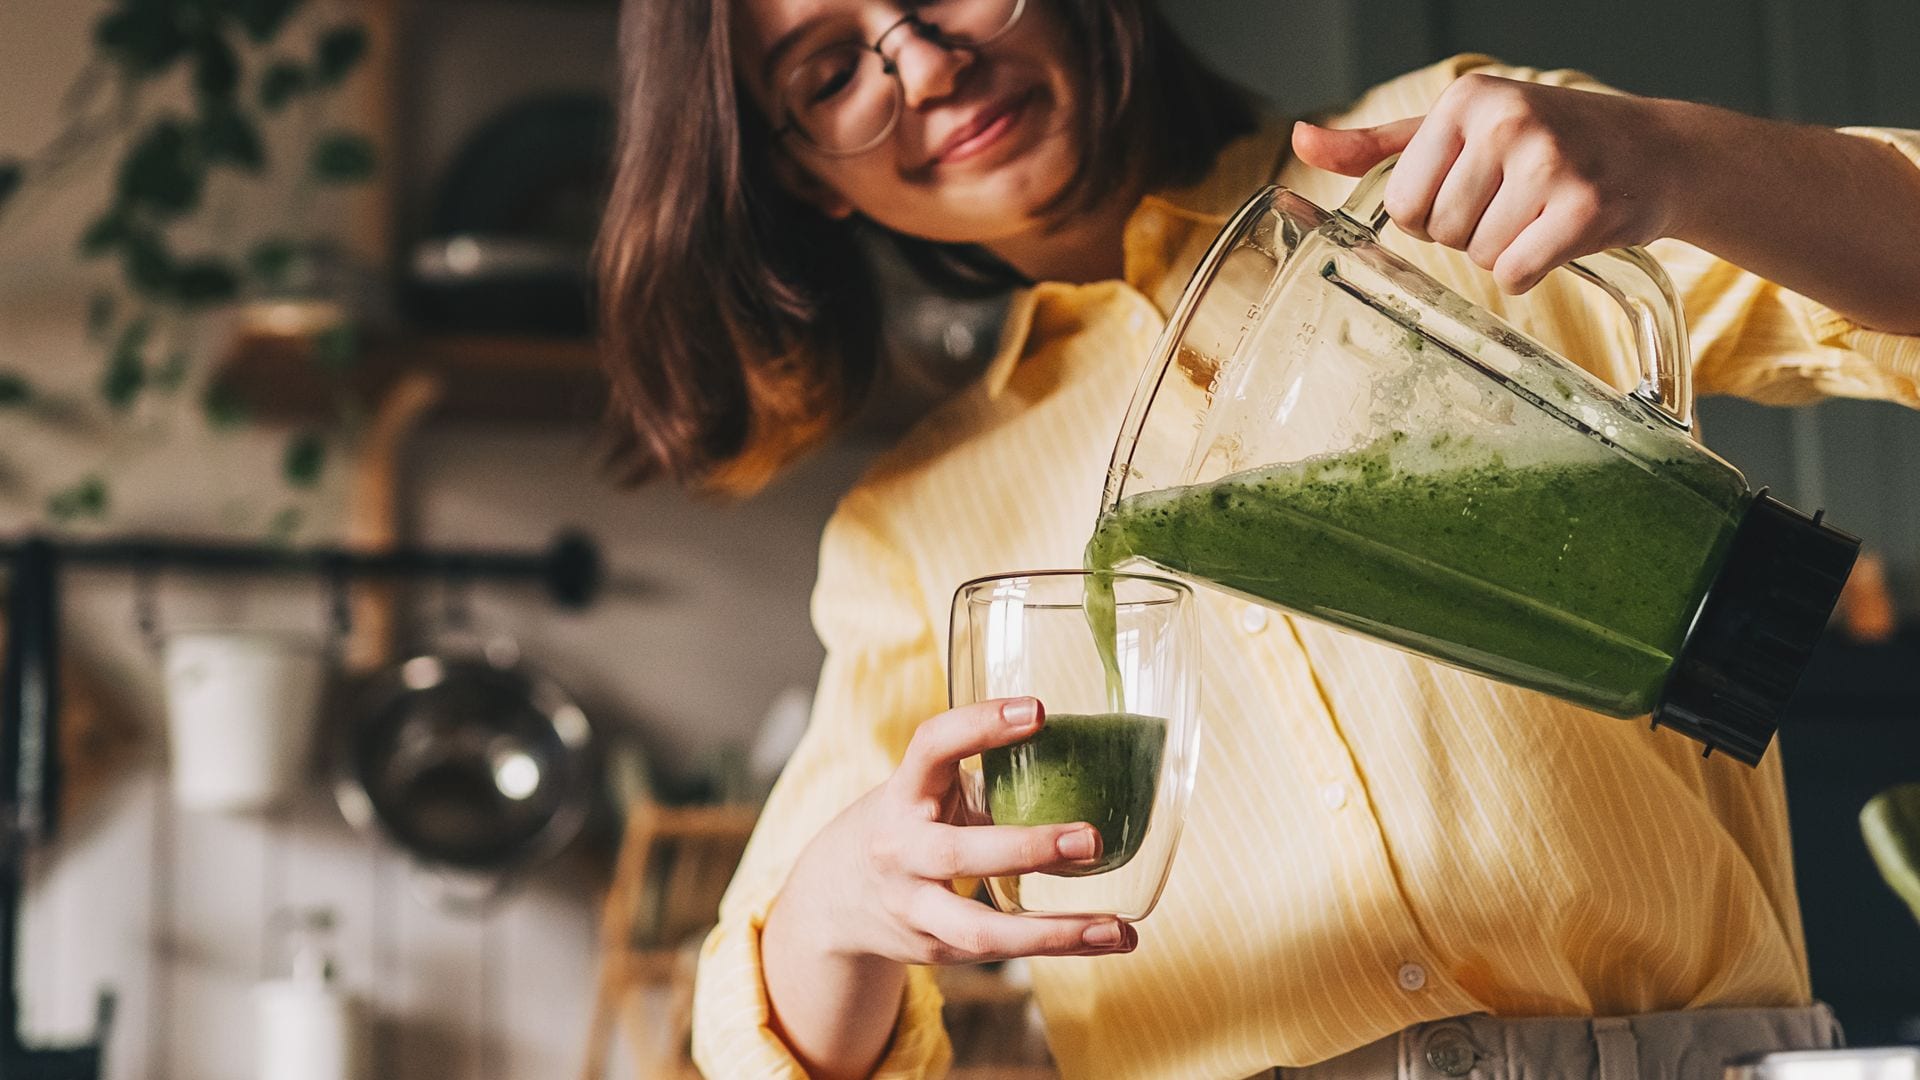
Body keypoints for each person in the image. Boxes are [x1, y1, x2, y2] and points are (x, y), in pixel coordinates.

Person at [594, 1, 1920, 1077]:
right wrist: (839, 906)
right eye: (830, 72)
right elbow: (759, 1017)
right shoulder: (917, 529)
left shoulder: (1443, 175)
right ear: (797, 175)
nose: (928, 64)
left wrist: (1686, 159)